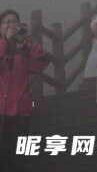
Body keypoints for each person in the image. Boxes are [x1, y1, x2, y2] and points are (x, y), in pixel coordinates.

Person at [0, 10, 49, 171]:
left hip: (23, 110)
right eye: (7, 22)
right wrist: (7, 41)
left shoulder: (23, 48)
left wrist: (32, 42)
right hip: (2, 110)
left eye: (15, 22)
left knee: (19, 156)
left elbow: (40, 64)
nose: (11, 25)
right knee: (5, 153)